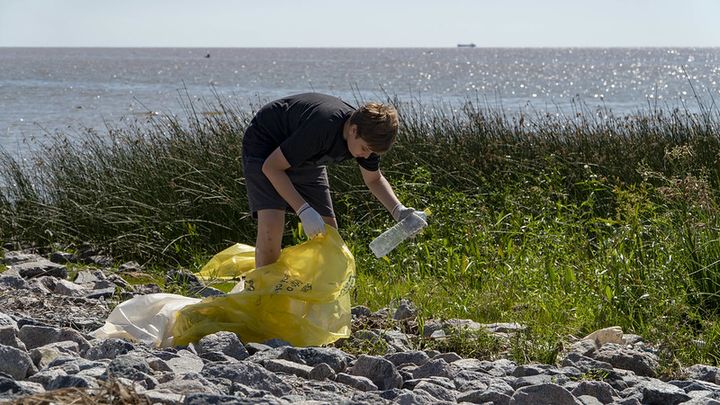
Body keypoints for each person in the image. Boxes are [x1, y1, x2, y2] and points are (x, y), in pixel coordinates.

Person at [242, 92, 416, 268]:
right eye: (365, 149)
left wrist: (399, 211)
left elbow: (374, 179)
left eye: (372, 153)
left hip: (306, 155)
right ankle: (261, 292)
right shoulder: (322, 127)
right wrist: (303, 210)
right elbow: (271, 168)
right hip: (265, 146)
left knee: (329, 233)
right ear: (353, 130)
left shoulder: (369, 140)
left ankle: (318, 290)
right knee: (271, 229)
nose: (366, 156)